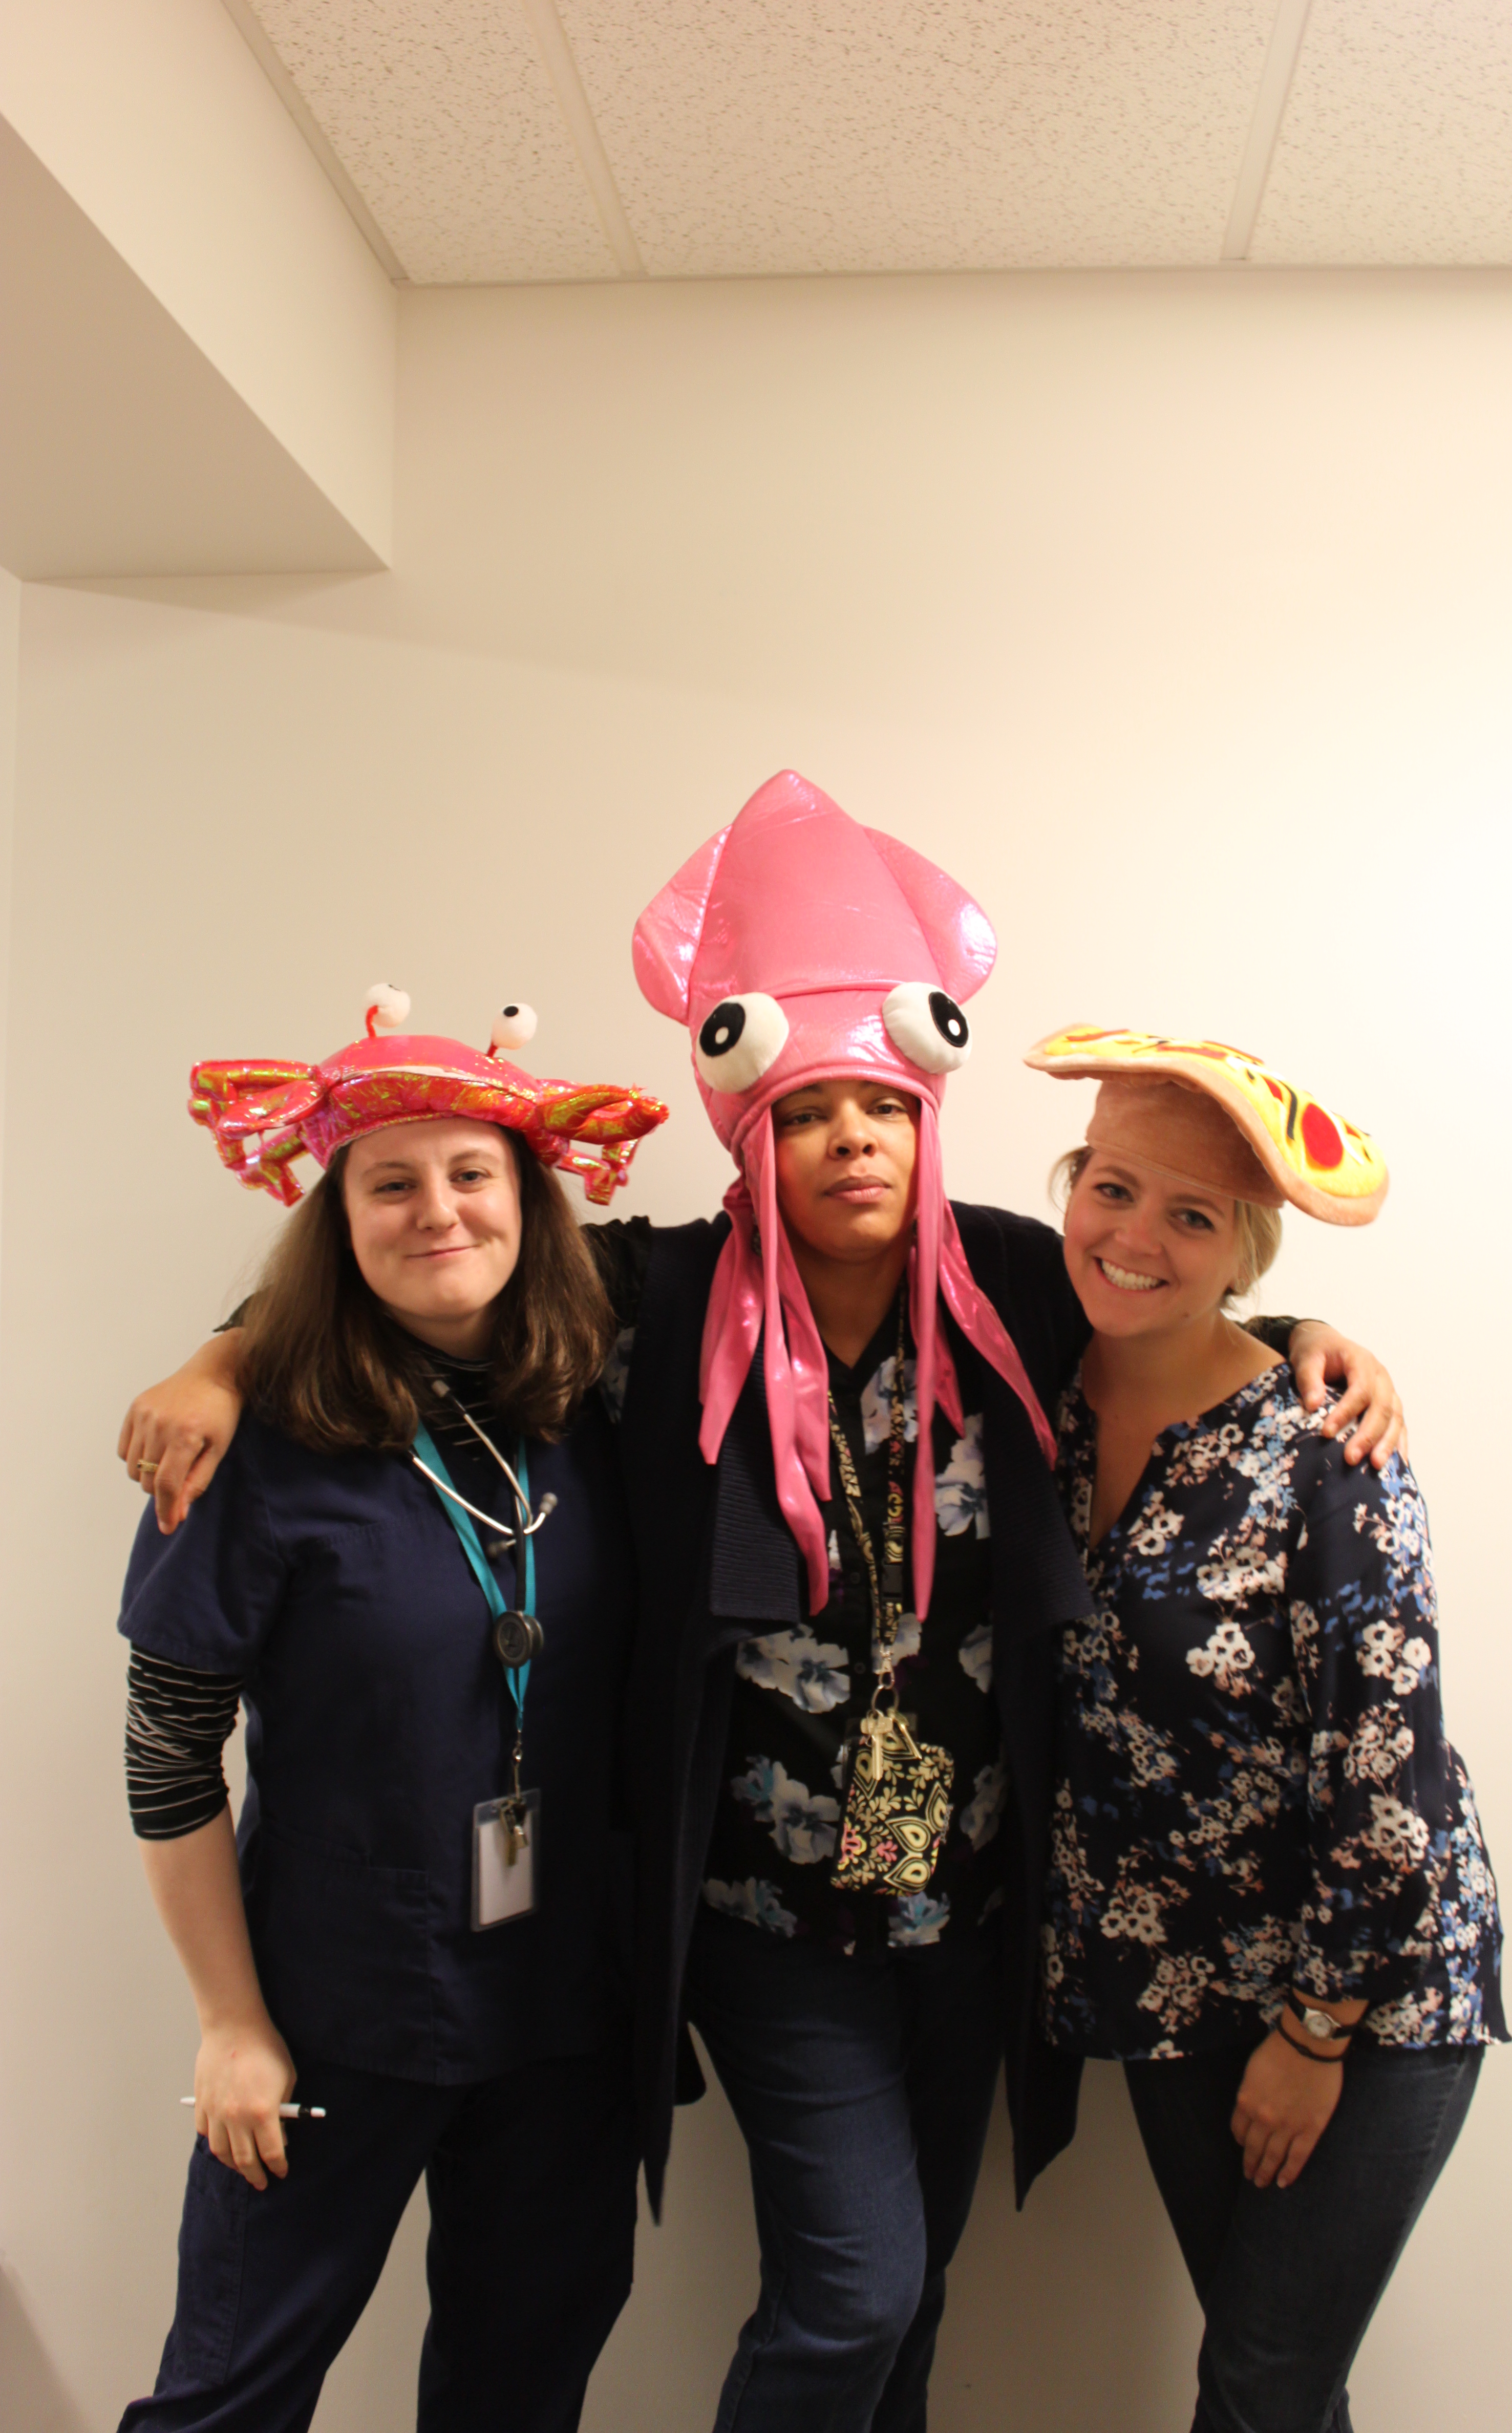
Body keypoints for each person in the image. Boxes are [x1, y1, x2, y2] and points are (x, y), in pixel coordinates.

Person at [120, 778, 1405, 2433]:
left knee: (910, 2304)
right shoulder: (657, 1295)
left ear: (926, 1118)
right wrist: (224, 1357)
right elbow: (442, 1269)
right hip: (765, 1910)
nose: (849, 1140)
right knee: (855, 2286)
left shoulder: (1017, 1279)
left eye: (879, 1107)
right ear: (750, 1133)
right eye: (806, 1114)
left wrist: (1311, 1340)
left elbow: (1168, 1300)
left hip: (971, 1899)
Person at [115, 993, 666, 2433]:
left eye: (472, 1173)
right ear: (337, 1217)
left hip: (559, 2010)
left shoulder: (596, 1394)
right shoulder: (253, 1443)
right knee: (229, 2398)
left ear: (527, 1197)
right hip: (330, 2010)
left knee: (520, 2392)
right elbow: (168, 1753)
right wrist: (231, 2024)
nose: (439, 1211)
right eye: (390, 1183)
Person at [1026, 1023, 1506, 2433]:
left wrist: (1316, 2033)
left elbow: (1389, 1773)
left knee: (1257, 2385)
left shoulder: (1327, 1450)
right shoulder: (1032, 1402)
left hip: (1368, 1988)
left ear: (1247, 1249)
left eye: (1192, 1217)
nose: (1134, 1238)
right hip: (1170, 1980)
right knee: (1281, 2384)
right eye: (1112, 1189)